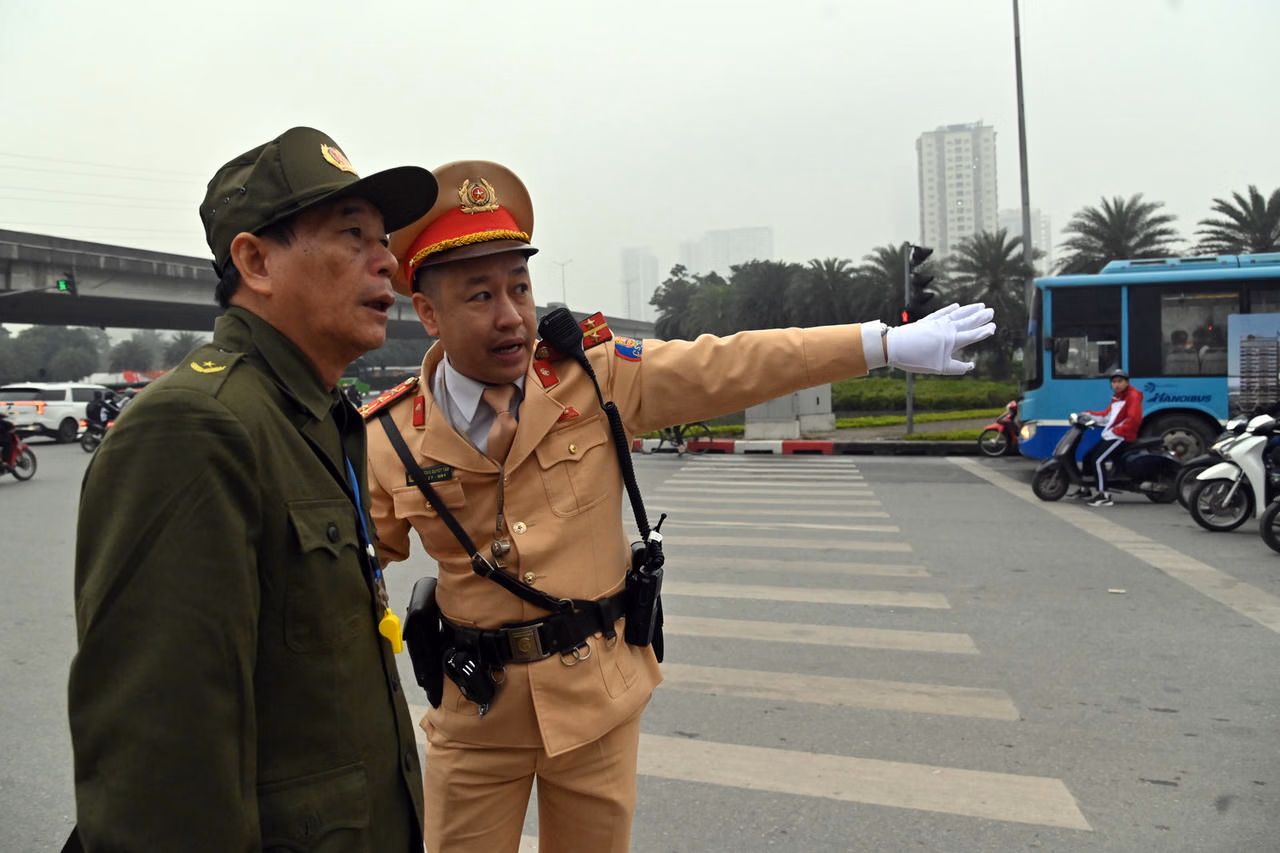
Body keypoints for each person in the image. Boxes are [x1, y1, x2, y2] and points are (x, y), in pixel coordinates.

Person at [361, 160, 996, 853]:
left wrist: (878, 344)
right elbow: (348, 572)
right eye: (480, 295)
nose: (511, 315)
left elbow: (728, 364)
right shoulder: (388, 436)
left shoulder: (592, 374)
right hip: (476, 714)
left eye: (520, 286)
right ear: (428, 312)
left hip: (597, 700)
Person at [66, 127, 439, 851]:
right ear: (257, 261)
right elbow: (160, 765)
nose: (388, 260)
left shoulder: (319, 418)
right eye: (353, 235)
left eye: (383, 239)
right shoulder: (197, 425)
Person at [1071, 367, 1144, 507]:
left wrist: (1118, 430)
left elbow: (1134, 419)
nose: (1116, 384)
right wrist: (1087, 414)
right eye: (1114, 382)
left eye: (1120, 381)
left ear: (1127, 382)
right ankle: (1085, 490)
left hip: (1122, 436)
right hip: (1112, 435)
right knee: (1087, 457)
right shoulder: (1117, 397)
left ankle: (1104, 495)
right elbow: (1106, 416)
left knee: (1098, 460)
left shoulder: (1133, 396)